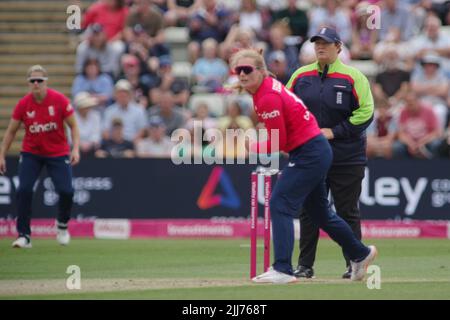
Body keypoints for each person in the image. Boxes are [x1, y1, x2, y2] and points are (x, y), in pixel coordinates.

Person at [230, 49, 377, 284]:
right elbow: (284, 138)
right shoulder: (265, 89)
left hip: (310, 152)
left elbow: (279, 141)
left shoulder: (267, 96)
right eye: (238, 71)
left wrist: (253, 147)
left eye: (247, 70)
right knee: (321, 214)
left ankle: (283, 269)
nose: (243, 74)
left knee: (280, 202)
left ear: (260, 70)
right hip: (312, 150)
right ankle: (360, 253)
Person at [287, 27, 374, 279]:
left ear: (339, 47)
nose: (320, 47)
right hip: (310, 155)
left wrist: (334, 132)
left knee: (347, 210)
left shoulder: (353, 77)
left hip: (347, 155)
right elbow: (287, 108)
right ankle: (305, 266)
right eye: (317, 44)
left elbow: (366, 112)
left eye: (326, 43)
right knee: (309, 210)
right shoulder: (300, 76)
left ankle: (354, 263)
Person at [0, 65, 80, 248]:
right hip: (31, 153)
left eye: (40, 81)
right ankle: (24, 236)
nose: (36, 84)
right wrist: (2, 155)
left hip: (58, 152)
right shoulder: (23, 104)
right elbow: (11, 131)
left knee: (67, 191)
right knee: (24, 191)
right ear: (28, 83)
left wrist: (75, 149)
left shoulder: (59, 100)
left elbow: (74, 125)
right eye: (32, 81)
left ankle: (61, 225)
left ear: (46, 82)